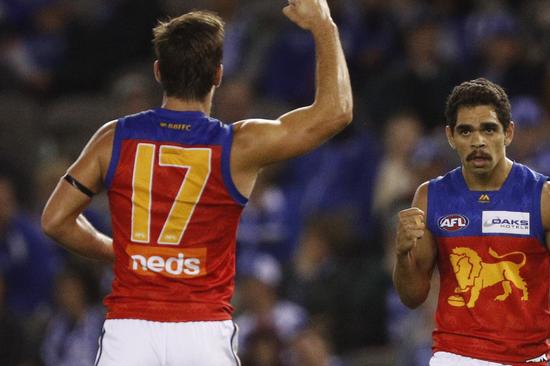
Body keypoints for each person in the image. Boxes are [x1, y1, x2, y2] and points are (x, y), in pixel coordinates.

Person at [40, 0, 352, 365]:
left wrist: (121, 251)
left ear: (158, 71)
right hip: (200, 331)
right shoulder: (238, 145)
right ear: (218, 74)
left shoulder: (114, 138)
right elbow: (336, 112)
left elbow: (55, 220)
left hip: (130, 331)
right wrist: (324, 26)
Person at [393, 78, 550, 366]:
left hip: (528, 358)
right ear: (451, 136)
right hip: (455, 355)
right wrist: (403, 256)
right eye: (466, 131)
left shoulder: (545, 198)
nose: (478, 141)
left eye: (488, 129)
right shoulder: (430, 197)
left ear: (508, 133)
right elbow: (413, 297)